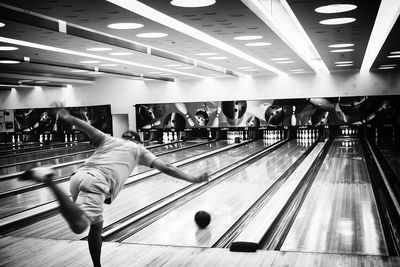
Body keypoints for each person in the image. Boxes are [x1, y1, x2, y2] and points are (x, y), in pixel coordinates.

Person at [21, 103, 209, 267]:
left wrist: (69, 117)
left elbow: (88, 128)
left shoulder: (109, 139)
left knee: (97, 224)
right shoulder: (138, 149)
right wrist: (192, 178)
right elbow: (166, 167)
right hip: (97, 182)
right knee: (79, 226)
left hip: (78, 177)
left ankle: (97, 265)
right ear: (138, 141)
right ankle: (48, 180)